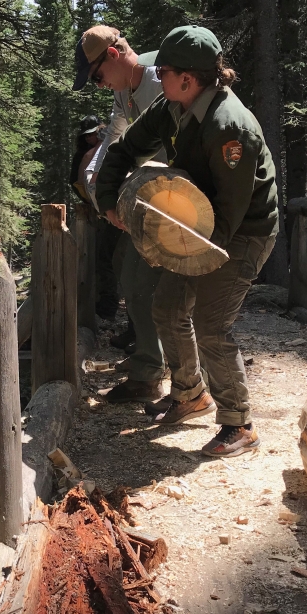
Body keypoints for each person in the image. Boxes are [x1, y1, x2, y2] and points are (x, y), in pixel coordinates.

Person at [95, 26, 279, 457]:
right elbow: (123, 149)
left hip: (243, 233)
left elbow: (228, 217)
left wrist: (178, 247)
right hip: (203, 225)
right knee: (169, 307)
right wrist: (107, 200)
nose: (157, 75)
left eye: (165, 70)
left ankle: (239, 424)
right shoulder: (171, 106)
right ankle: (190, 393)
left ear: (189, 79)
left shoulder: (231, 127)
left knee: (213, 325)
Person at [72, 25, 167, 402]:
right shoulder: (123, 92)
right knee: (124, 265)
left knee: (141, 284)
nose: (99, 85)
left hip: (175, 202)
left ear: (112, 56)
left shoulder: (161, 81)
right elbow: (114, 138)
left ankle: (151, 374)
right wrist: (97, 183)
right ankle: (150, 358)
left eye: (97, 77)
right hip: (151, 199)